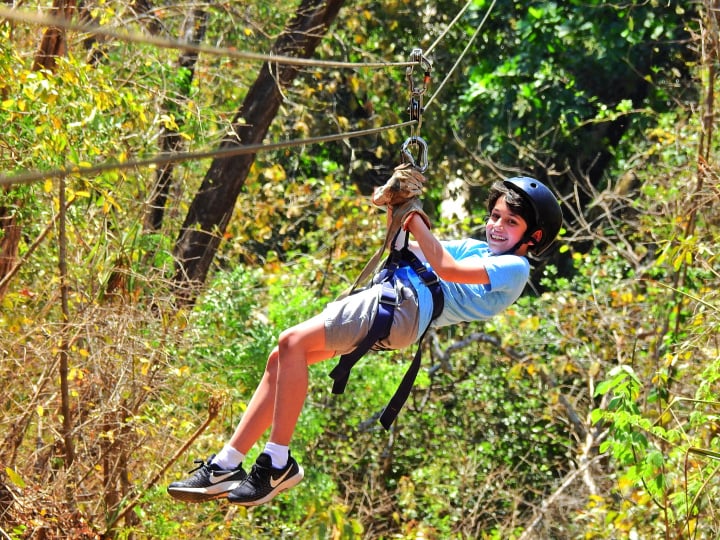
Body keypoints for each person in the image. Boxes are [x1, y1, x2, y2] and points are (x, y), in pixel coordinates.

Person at [167, 175, 563, 507]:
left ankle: (276, 462)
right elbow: (420, 247)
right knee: (282, 357)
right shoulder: (481, 248)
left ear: (534, 236)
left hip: (404, 308)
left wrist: (414, 216)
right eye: (495, 215)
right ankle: (227, 463)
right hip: (396, 306)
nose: (497, 225)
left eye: (511, 222)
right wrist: (395, 204)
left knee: (291, 343)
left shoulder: (514, 268)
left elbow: (446, 267)